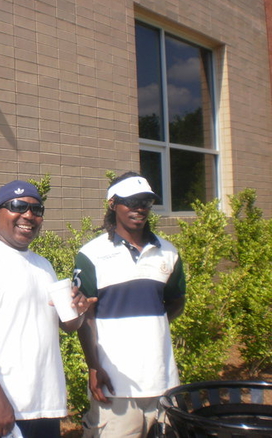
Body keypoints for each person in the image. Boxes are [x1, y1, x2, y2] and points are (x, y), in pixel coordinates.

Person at [0, 180, 96, 438]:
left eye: (37, 210)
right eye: (18, 206)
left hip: (44, 408)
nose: (28, 215)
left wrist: (77, 311)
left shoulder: (43, 266)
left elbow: (66, 325)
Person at [76, 172, 186, 438]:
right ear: (113, 203)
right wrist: (94, 366)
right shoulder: (91, 254)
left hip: (163, 382)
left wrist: (150, 327)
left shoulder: (168, 252)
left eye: (145, 202)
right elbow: (85, 316)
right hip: (116, 386)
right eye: (132, 201)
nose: (140, 208)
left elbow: (176, 302)